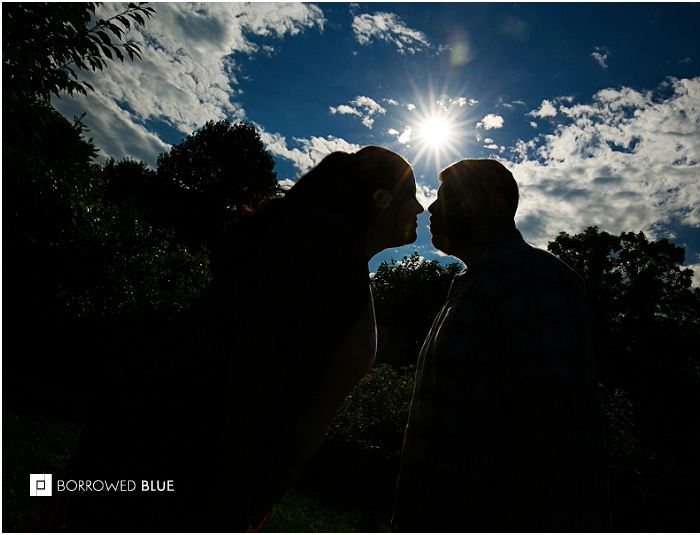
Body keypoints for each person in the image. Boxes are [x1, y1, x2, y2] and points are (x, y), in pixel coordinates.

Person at [25, 146, 423, 533]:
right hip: (182, 484)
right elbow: (251, 379)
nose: (421, 208)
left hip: (189, 478)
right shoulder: (323, 249)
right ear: (380, 199)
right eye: (411, 195)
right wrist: (229, 504)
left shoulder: (334, 252)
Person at [392, 159, 611, 532]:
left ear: (491, 204)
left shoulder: (532, 275)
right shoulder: (476, 282)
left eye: (446, 197)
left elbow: (544, 422)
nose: (430, 207)